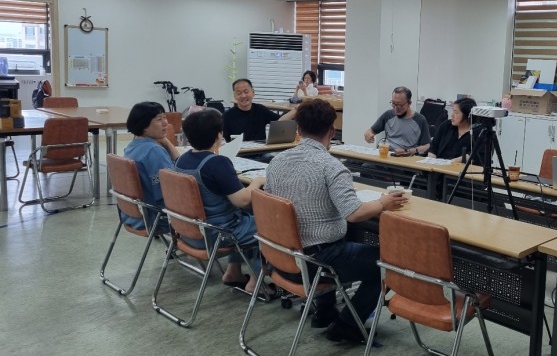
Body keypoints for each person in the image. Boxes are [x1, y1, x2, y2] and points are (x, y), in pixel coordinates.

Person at [266, 99, 408, 343]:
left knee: (338, 236)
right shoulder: (331, 167)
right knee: (388, 264)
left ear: (298, 129)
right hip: (316, 261)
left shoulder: (276, 162)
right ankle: (346, 326)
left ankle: (325, 311)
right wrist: (383, 202)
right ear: (332, 131)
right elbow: (354, 213)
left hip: (282, 258)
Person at [174, 109, 267, 294]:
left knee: (245, 216)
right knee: (267, 226)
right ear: (218, 136)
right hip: (218, 234)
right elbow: (242, 200)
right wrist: (257, 181)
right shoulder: (217, 163)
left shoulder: (181, 160)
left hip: (190, 232)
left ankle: (233, 272)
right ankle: (256, 282)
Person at [122, 101, 180, 231]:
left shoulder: (132, 146)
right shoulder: (153, 151)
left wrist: (165, 141)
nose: (165, 123)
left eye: (165, 117)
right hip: (158, 217)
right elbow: (173, 190)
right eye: (159, 119)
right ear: (143, 125)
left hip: (135, 216)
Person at [363, 86, 431, 155]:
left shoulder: (420, 120)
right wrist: (367, 135)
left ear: (409, 103)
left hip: (407, 157)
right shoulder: (388, 115)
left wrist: (408, 151)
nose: (396, 108)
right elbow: (370, 131)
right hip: (388, 154)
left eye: (399, 105)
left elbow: (426, 146)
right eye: (393, 103)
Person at [427, 97, 477, 163]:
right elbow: (433, 148)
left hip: (460, 168)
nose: (452, 115)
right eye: (453, 111)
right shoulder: (446, 125)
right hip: (438, 166)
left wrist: (449, 163)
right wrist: (431, 162)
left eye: (456, 113)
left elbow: (474, 156)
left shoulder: (478, 132)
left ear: (468, 115)